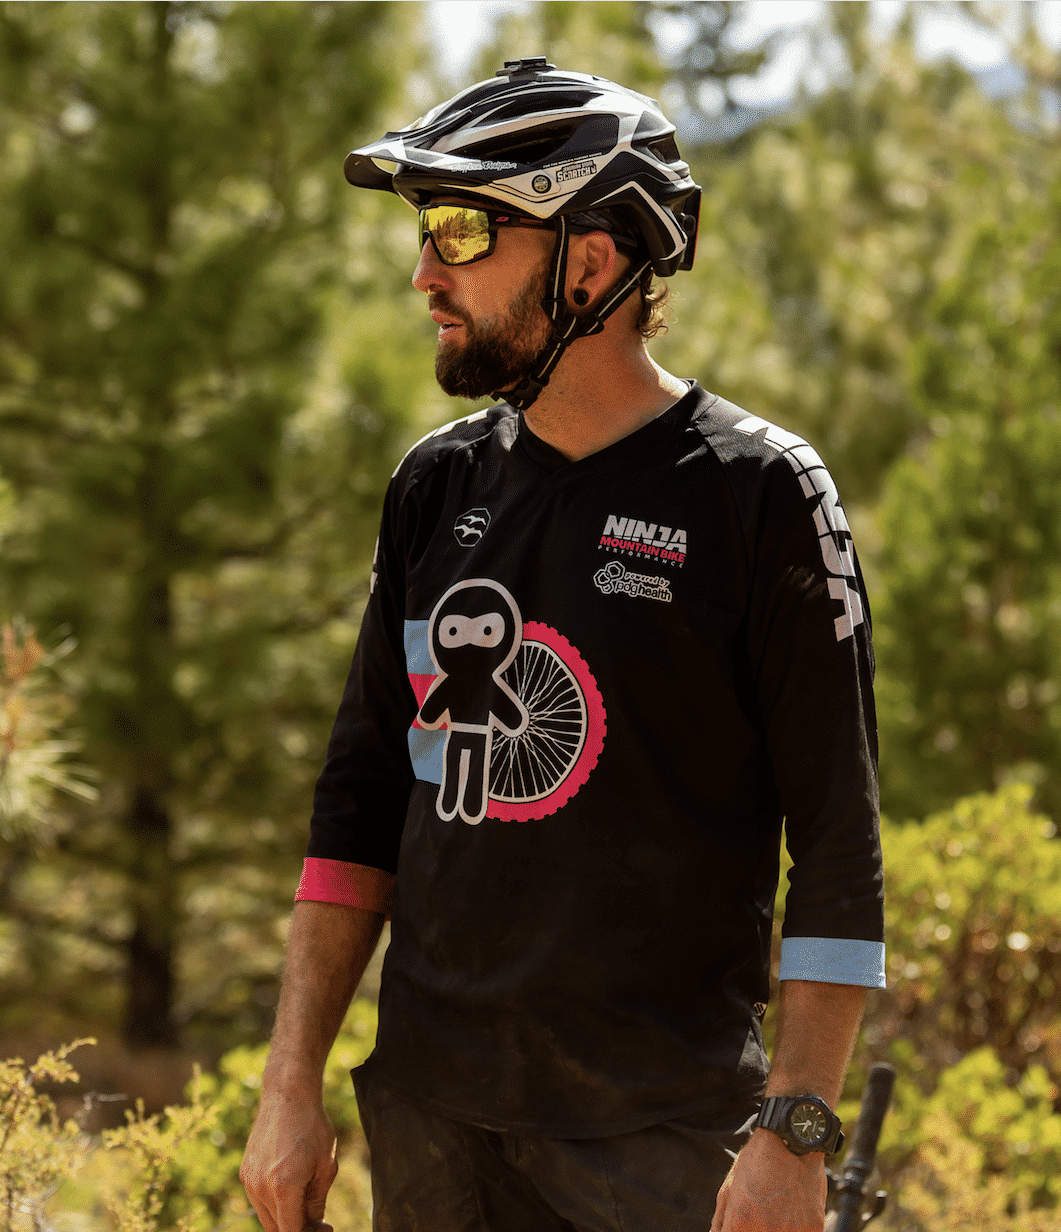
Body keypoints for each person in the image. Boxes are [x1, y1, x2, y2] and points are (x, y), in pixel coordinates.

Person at [240, 58, 883, 1232]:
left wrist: (795, 1129)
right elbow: (359, 805)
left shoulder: (760, 492)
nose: (424, 271)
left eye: (463, 230)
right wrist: (290, 1081)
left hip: (663, 1138)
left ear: (590, 263)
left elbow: (840, 844)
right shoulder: (434, 484)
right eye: (426, 230)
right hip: (432, 1120)